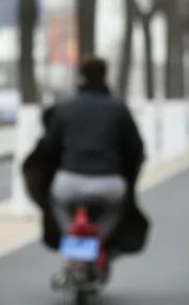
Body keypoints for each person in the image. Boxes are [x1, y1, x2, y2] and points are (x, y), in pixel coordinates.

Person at [22, 55, 149, 260]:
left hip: (69, 183)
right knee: (117, 206)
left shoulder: (64, 108)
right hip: (109, 185)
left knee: (56, 201)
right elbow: (136, 148)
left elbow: (48, 147)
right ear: (105, 77)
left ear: (81, 79)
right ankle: (99, 241)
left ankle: (70, 235)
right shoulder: (118, 109)